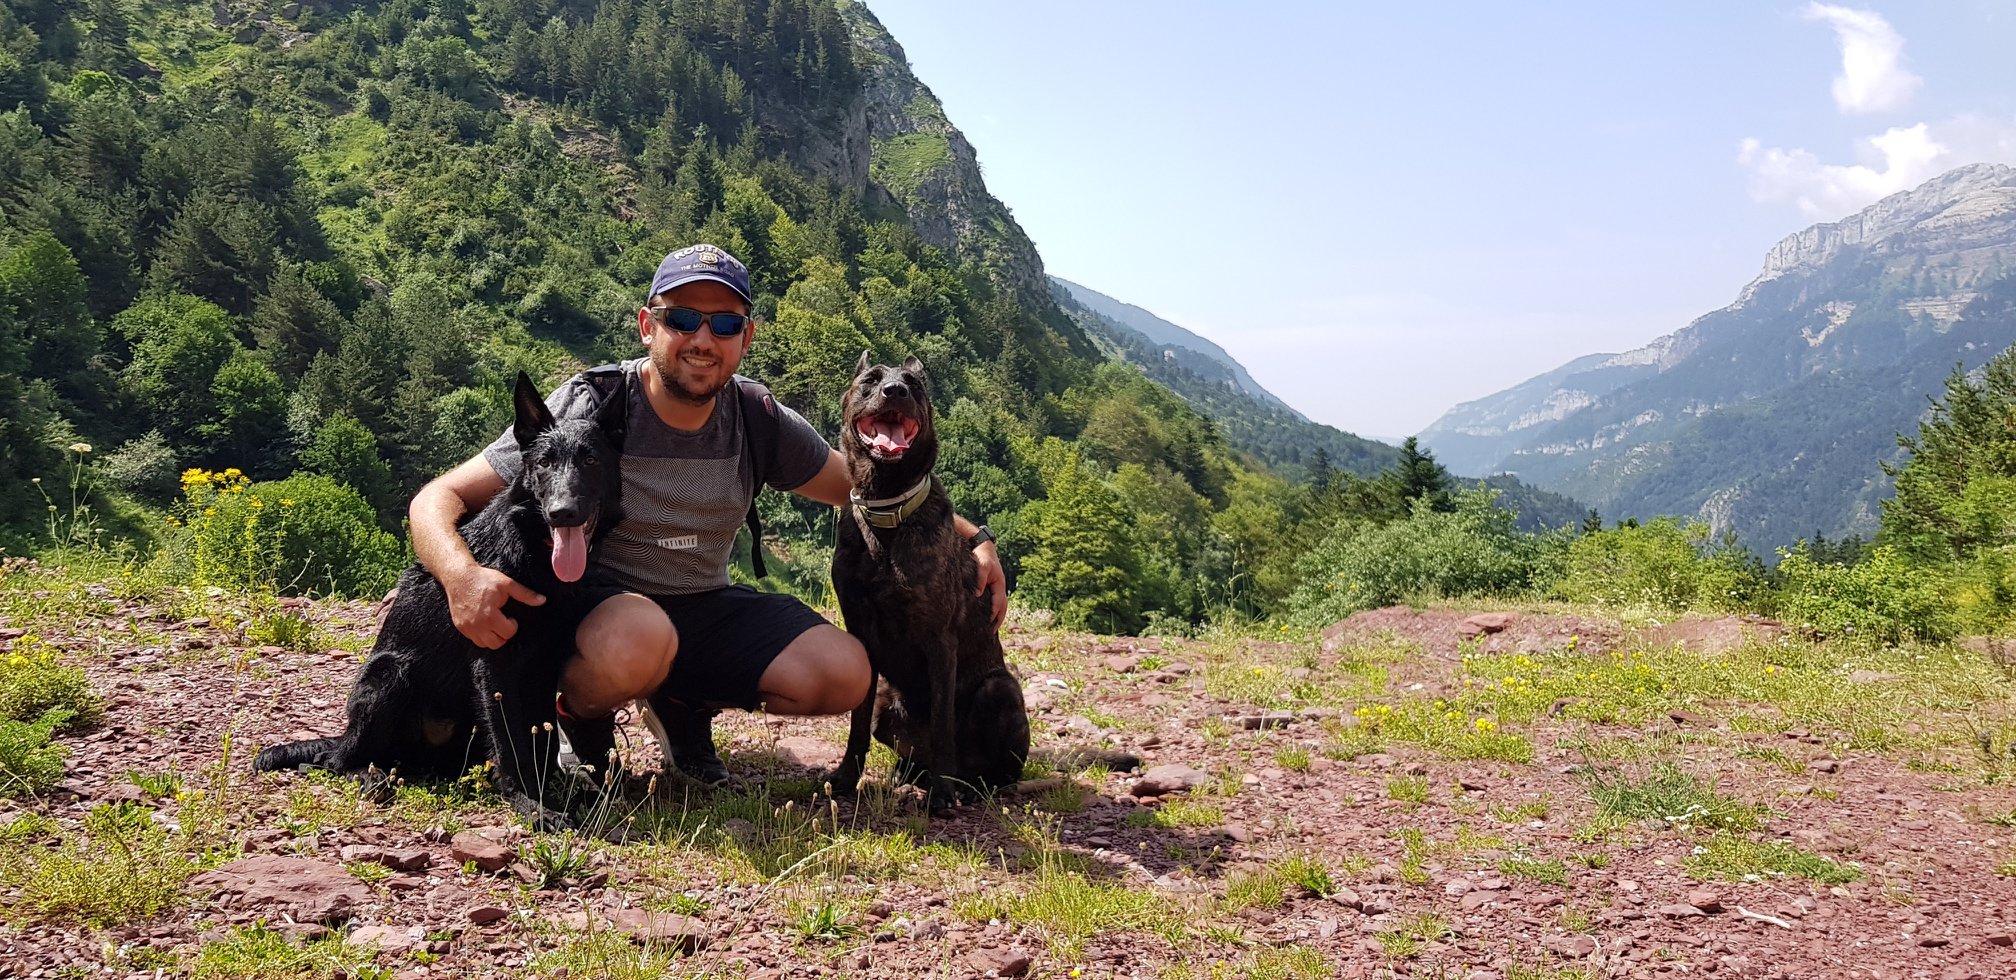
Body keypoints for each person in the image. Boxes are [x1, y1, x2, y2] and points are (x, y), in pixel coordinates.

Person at [407, 244, 1008, 785]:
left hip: (704, 605)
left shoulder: (756, 417)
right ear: (648, 326)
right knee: (638, 639)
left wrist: (974, 538)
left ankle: (680, 703)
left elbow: (867, 487)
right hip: (602, 613)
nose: (702, 339)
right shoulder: (594, 403)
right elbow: (437, 499)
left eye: (724, 324)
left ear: (745, 338)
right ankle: (576, 715)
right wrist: (461, 576)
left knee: (845, 673)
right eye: (682, 319)